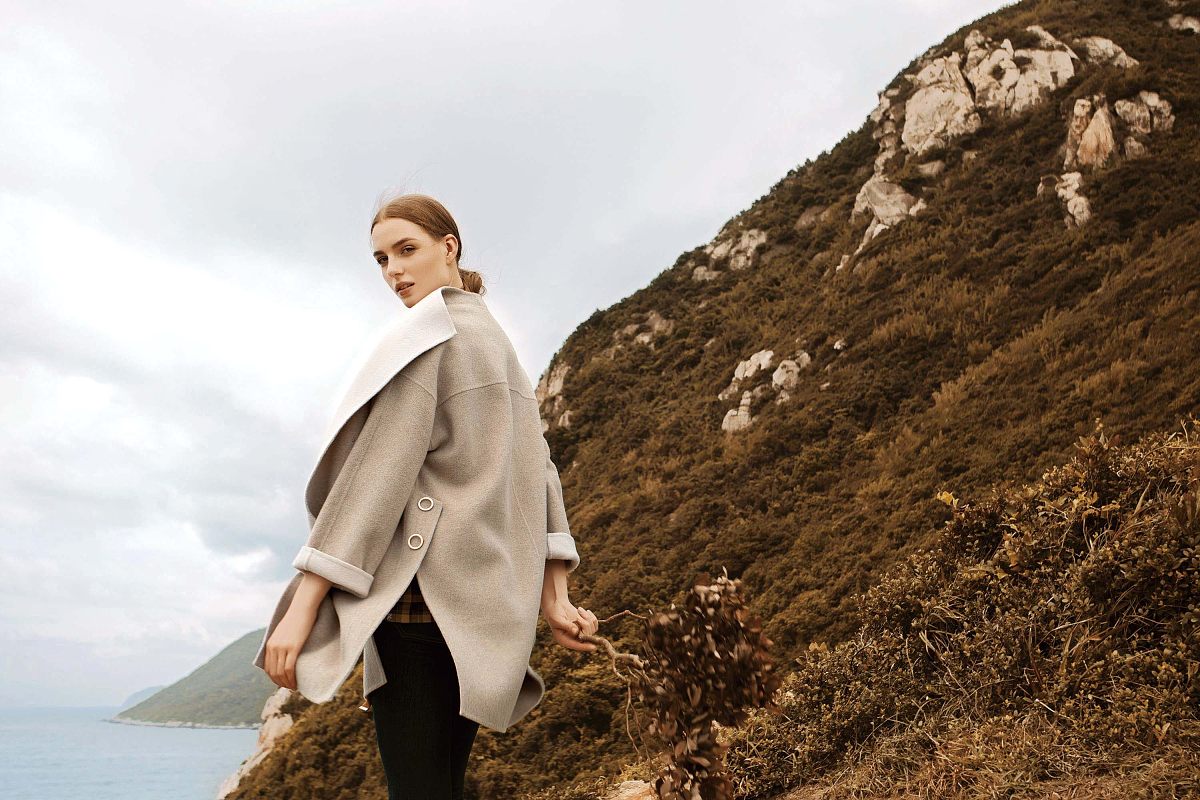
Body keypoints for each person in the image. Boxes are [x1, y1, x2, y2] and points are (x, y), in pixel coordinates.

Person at [257, 193, 599, 799]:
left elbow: (372, 482)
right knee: (442, 785)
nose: (394, 271)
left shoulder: (428, 341)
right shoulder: (497, 344)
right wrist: (556, 595)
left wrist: (303, 607)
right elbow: (539, 473)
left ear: (449, 247)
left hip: (419, 607)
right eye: (382, 259)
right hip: (484, 610)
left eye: (406, 250)